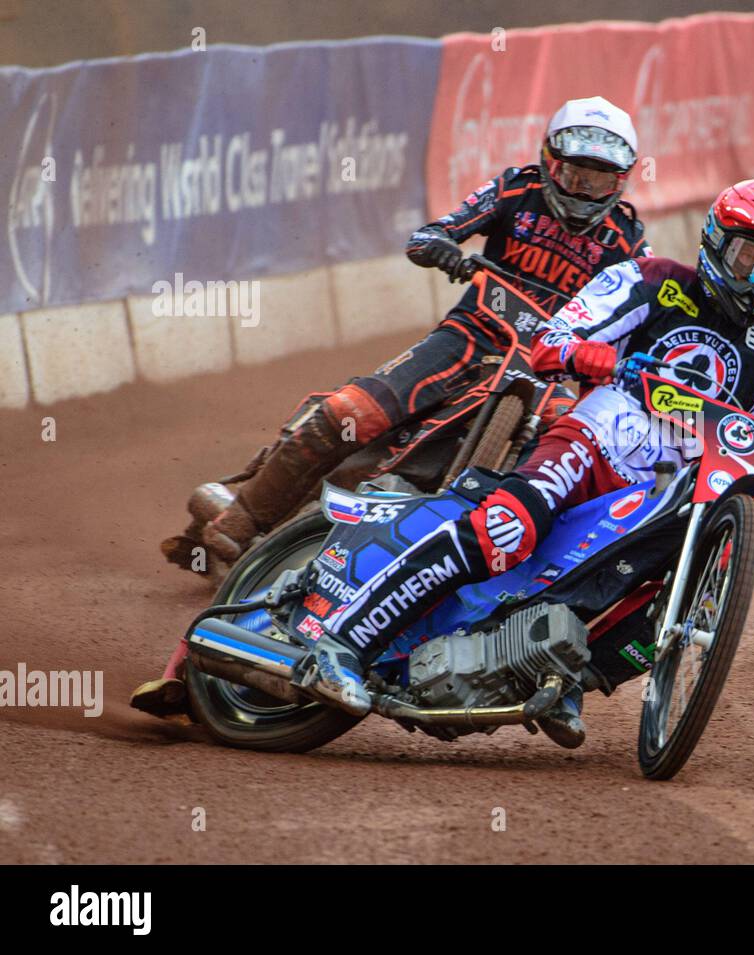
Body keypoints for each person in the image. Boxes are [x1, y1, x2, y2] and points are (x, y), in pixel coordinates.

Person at [291, 180, 754, 748]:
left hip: (665, 492)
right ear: (716, 243)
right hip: (593, 440)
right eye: (750, 257)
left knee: (668, 600)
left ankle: (560, 682)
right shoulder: (651, 279)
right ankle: (342, 644)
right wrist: (601, 361)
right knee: (507, 527)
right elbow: (551, 342)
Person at [134, 96, 648, 719]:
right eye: (575, 173)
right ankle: (239, 524)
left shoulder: (626, 237)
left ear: (621, 180)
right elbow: (431, 234)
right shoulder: (515, 191)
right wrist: (447, 250)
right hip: (469, 337)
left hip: (539, 369)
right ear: (549, 162)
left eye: (601, 177)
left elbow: (631, 316)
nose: (586, 189)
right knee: (354, 412)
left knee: (529, 476)